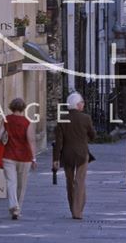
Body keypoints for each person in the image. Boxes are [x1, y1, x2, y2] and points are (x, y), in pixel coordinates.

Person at [53, 92, 96, 220]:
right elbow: (93, 135)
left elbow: (58, 142)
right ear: (77, 105)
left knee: (69, 182)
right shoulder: (86, 118)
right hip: (82, 154)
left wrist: (55, 159)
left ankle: (73, 208)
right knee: (80, 182)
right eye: (82, 102)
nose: (83, 104)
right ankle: (78, 211)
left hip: (67, 155)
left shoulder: (62, 119)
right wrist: (86, 137)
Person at [0, 97, 37, 220]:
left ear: (11, 107)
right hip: (25, 157)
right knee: (21, 184)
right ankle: (16, 209)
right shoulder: (27, 122)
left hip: (8, 155)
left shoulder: (6, 120)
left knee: (11, 182)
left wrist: (5, 135)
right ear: (23, 108)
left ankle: (14, 205)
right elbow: (31, 140)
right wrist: (34, 158)